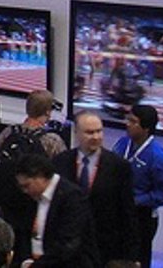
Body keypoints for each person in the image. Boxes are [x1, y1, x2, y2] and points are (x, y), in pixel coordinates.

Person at [0, 90, 67, 257]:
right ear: (48, 112)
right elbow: (60, 181)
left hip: (7, 211)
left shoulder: (7, 133)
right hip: (35, 214)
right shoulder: (52, 141)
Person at [53, 111, 137, 264]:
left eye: (99, 131)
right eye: (90, 132)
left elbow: (127, 214)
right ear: (76, 133)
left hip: (105, 249)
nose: (96, 137)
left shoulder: (119, 167)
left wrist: (129, 258)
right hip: (67, 249)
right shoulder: (60, 162)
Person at [113, 104, 163, 268]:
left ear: (146, 128)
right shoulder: (122, 143)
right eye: (128, 119)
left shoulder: (158, 157)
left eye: (133, 121)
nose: (127, 124)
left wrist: (137, 200)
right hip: (117, 213)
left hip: (142, 219)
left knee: (137, 260)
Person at [14, 153, 100, 266]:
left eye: (27, 186)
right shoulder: (31, 199)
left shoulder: (73, 197)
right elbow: (24, 231)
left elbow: (69, 243)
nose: (25, 191)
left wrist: (38, 265)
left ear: (40, 176)